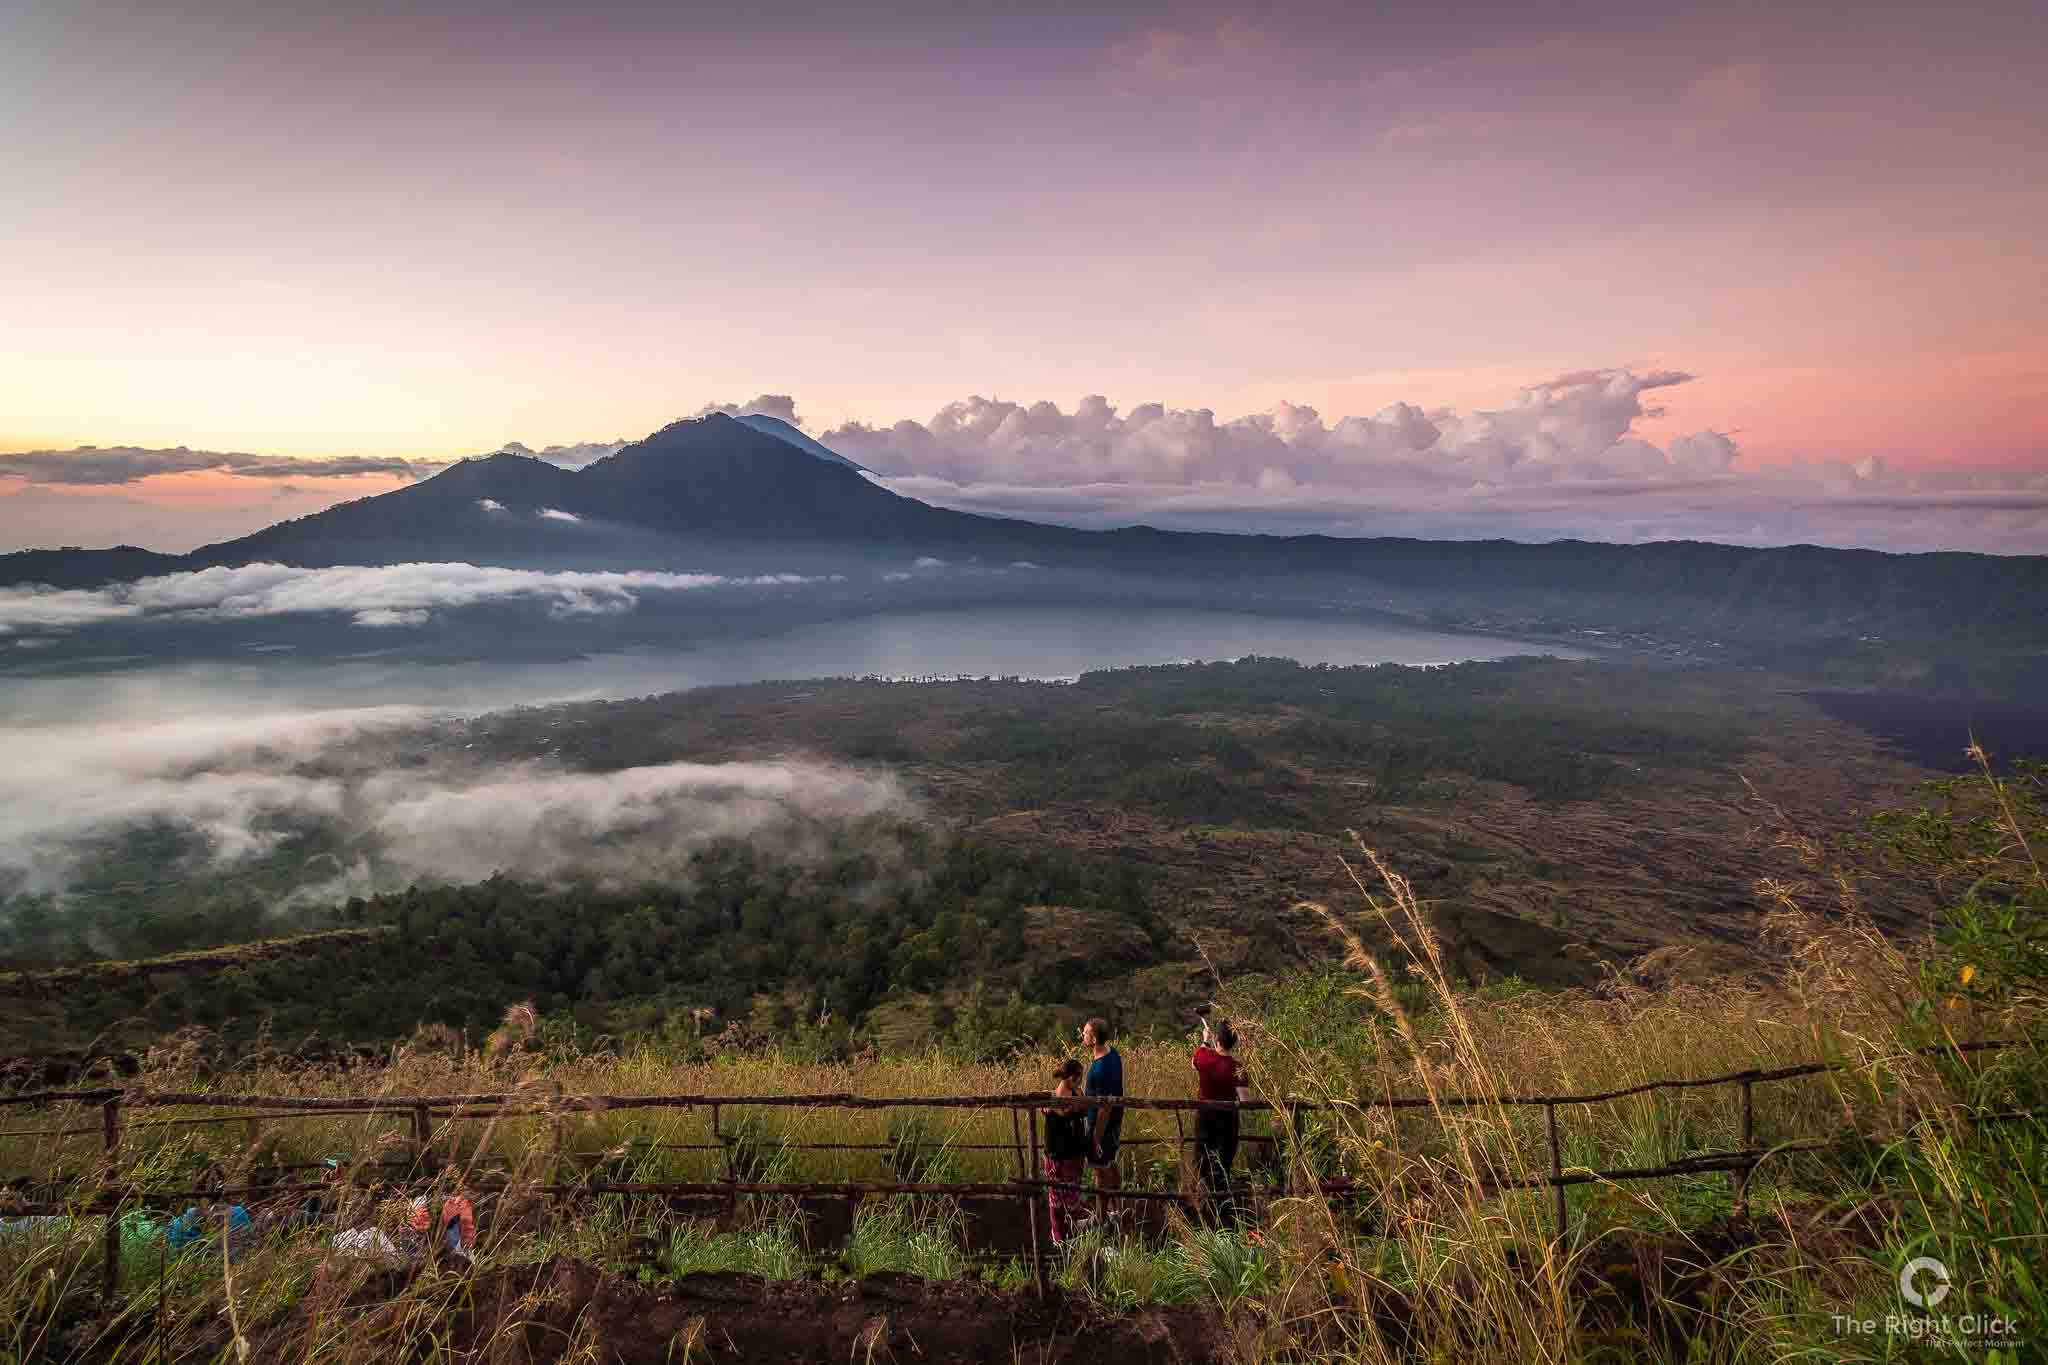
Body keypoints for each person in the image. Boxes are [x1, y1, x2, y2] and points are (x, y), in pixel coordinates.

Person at [1191, 1016, 1248, 1222]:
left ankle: (1206, 1212)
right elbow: (1244, 1100)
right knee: (1223, 1165)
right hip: (1228, 1123)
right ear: (1234, 1042)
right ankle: (1223, 1211)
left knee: (1203, 1164)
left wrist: (1205, 1041)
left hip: (1206, 1120)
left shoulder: (1204, 1058)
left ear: (1217, 1040)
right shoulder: (1237, 1067)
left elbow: (1194, 1063)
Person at [1041, 1059, 1088, 1245]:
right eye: (1078, 1077)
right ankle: (1060, 1236)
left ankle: (1069, 1233)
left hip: (1073, 1151)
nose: (1080, 1080)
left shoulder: (1076, 1092)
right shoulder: (1056, 1097)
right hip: (1058, 1153)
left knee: (1071, 1193)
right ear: (1069, 1077)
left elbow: (1082, 1108)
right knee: (1058, 1196)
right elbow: (1067, 1111)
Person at [1081, 1017, 1123, 1219]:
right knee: (1110, 1163)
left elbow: (1103, 1108)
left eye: (1086, 1032)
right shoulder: (1113, 1054)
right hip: (1115, 1120)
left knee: (1100, 1170)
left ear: (1095, 1038)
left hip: (1101, 1123)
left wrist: (1096, 1137)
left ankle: (1101, 1218)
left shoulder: (1099, 1069)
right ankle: (1117, 1210)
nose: (1083, 1035)